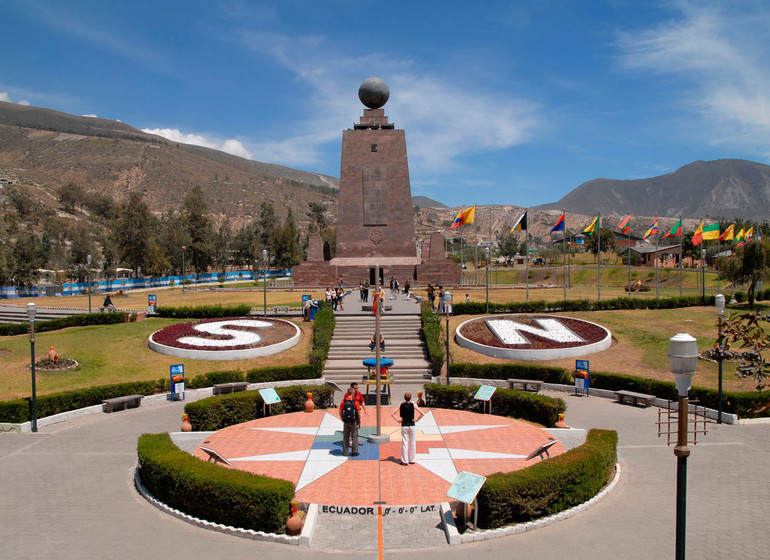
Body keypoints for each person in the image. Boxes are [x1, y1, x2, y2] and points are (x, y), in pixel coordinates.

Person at [391, 392, 424, 465]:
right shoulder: (414, 405)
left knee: (404, 443)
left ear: (404, 397)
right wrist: (416, 420)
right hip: (412, 425)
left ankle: (404, 461)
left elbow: (393, 414)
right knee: (412, 442)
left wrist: (398, 420)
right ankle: (412, 459)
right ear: (410, 397)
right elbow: (422, 413)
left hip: (404, 425)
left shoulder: (401, 405)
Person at [339, 387, 362, 457]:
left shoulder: (343, 402)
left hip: (346, 421)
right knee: (354, 436)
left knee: (346, 437)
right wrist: (359, 422)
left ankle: (345, 452)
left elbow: (340, 411)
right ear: (352, 393)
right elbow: (358, 413)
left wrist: (342, 418)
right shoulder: (355, 402)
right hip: (353, 421)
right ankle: (354, 452)